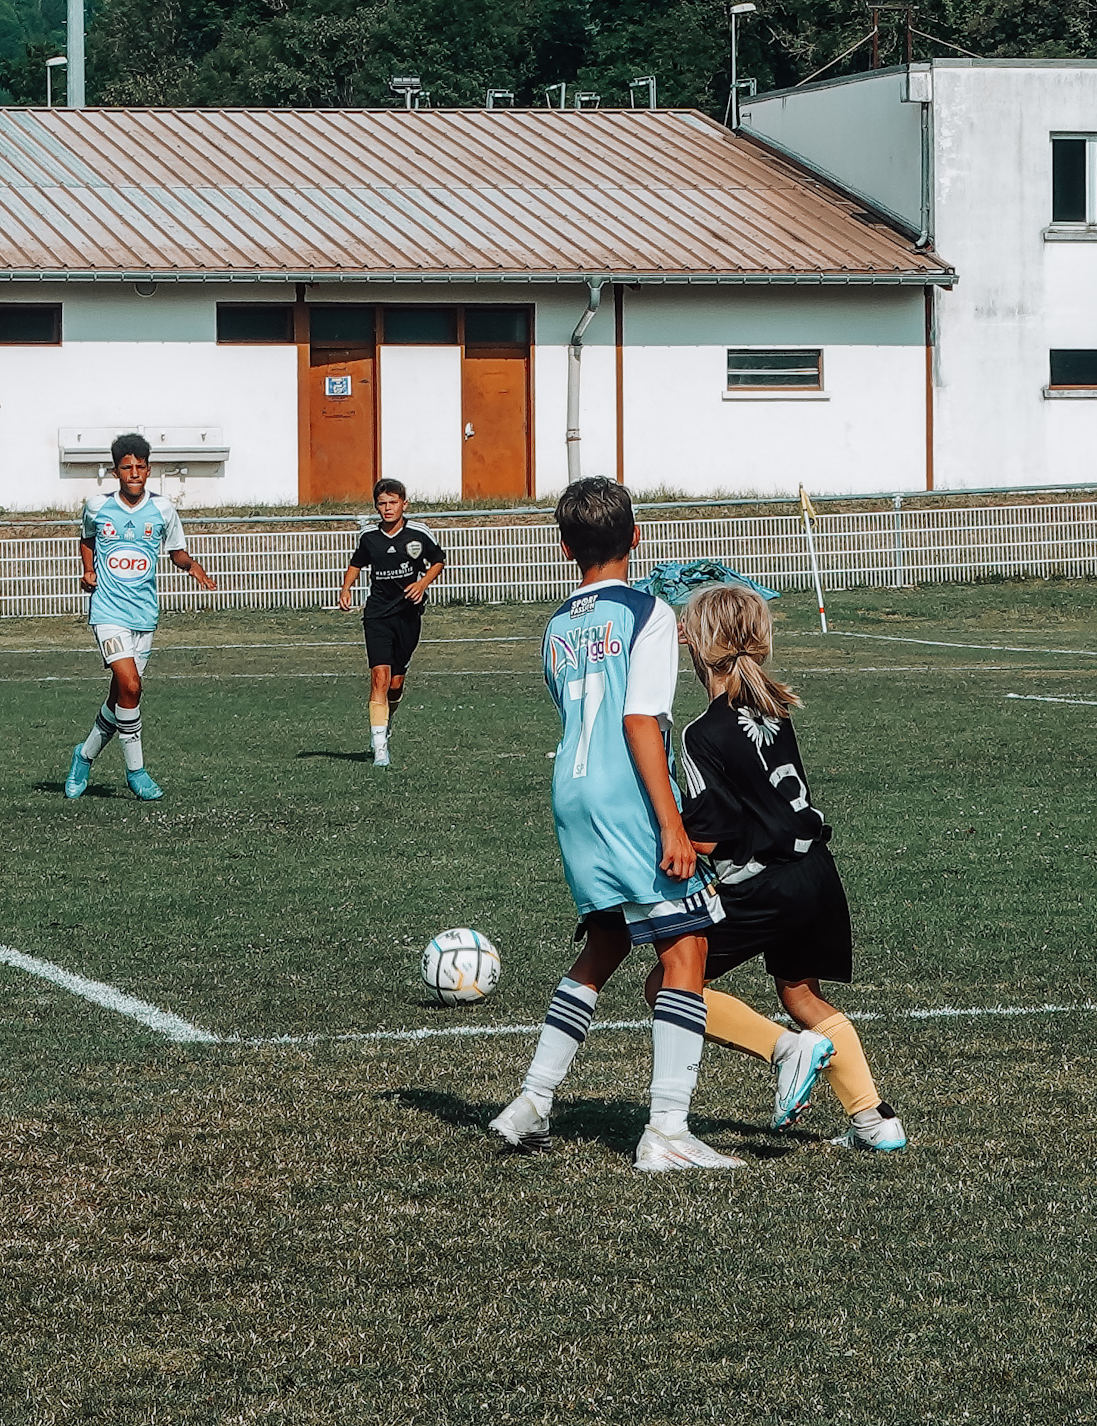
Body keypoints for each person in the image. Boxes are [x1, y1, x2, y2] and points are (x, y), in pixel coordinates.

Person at [490, 476, 740, 1172]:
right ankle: (667, 1130)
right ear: (636, 536)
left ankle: (532, 1101)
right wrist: (671, 824)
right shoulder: (649, 613)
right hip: (628, 796)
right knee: (685, 951)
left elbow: (570, 713)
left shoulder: (556, 624)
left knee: (605, 945)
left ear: (565, 547)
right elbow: (638, 721)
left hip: (570, 793)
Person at [656, 582, 908, 1151]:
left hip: (769, 882)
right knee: (800, 994)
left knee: (666, 985)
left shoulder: (702, 734)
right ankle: (876, 1122)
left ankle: (787, 1049)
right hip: (817, 870)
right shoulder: (773, 710)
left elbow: (712, 835)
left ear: (696, 646)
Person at [63, 434, 216, 802]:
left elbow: (176, 551)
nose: (134, 473)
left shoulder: (163, 510)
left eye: (140, 467)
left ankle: (83, 757)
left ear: (149, 469)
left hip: (144, 615)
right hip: (108, 612)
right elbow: (87, 539)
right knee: (131, 686)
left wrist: (193, 568)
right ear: (115, 471)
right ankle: (137, 772)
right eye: (127, 467)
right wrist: (88, 571)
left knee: (120, 697)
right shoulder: (97, 506)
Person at [336, 478, 446, 767]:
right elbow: (356, 563)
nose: (387, 508)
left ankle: (387, 720)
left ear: (404, 504)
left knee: (396, 684)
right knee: (380, 678)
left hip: (408, 615)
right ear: (376, 506)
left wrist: (422, 583)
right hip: (377, 615)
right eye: (382, 503)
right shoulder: (369, 537)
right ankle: (380, 748)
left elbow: (438, 561)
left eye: (393, 502)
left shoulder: (418, 533)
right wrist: (346, 588)